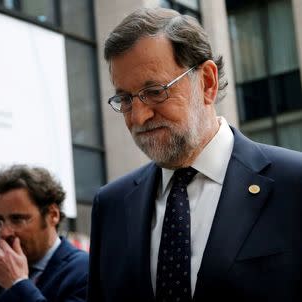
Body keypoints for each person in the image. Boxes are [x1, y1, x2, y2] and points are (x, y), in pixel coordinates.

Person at [88, 7, 302, 302]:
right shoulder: (110, 206)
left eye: (155, 91)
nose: (138, 116)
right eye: (125, 99)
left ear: (207, 83)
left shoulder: (293, 184)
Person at [0, 165, 88, 302]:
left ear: (53, 215)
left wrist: (18, 283)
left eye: (17, 219)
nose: (4, 232)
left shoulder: (84, 272)